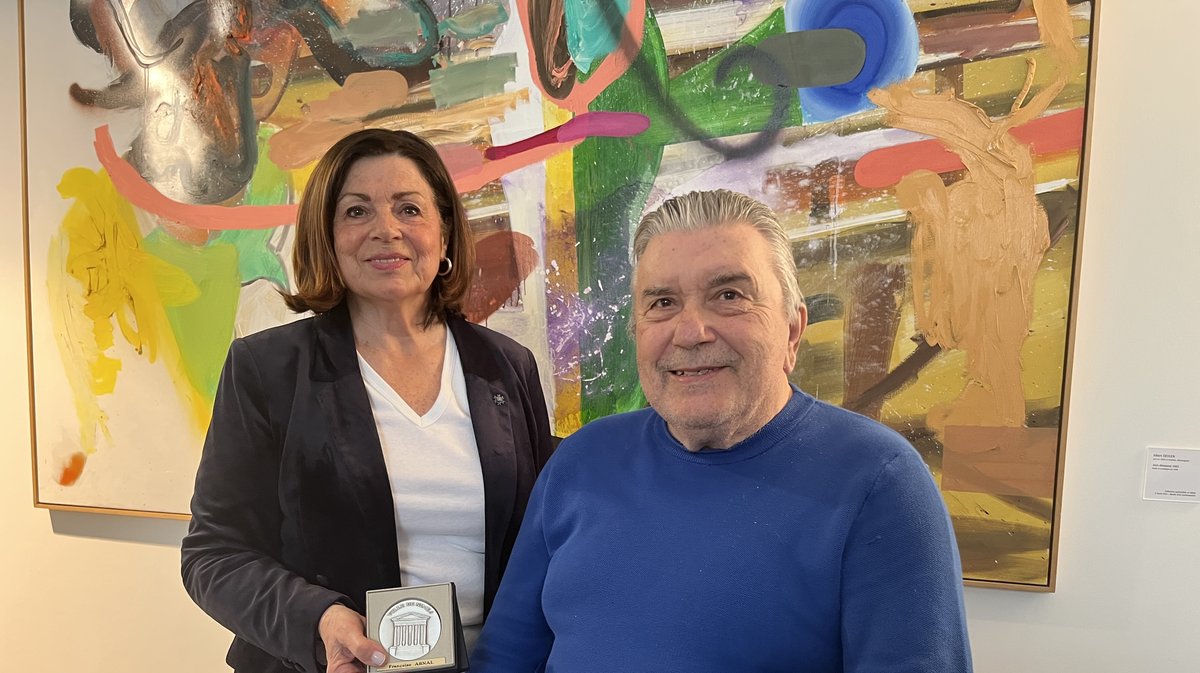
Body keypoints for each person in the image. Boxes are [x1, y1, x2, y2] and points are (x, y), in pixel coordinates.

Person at [470, 189, 973, 672]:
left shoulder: (880, 481)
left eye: (729, 295)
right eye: (662, 303)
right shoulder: (580, 461)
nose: (690, 333)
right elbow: (505, 658)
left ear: (792, 331)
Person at [181, 129, 555, 673]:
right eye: (356, 212)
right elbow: (213, 555)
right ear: (328, 236)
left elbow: (541, 538)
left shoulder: (508, 367)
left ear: (445, 233)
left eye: (410, 208)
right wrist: (320, 620)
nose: (387, 230)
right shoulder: (267, 370)